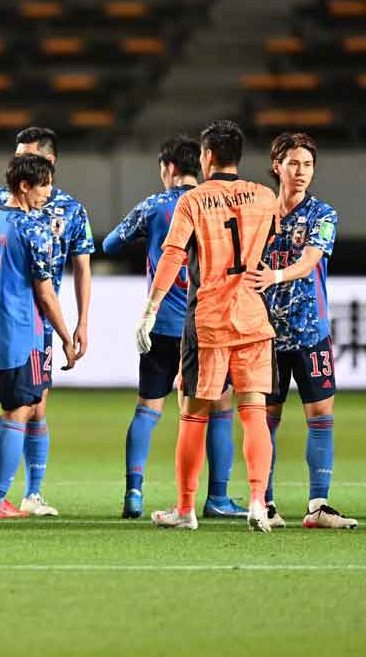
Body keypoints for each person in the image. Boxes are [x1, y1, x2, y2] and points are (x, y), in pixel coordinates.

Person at [136, 119, 277, 532]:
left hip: (209, 320)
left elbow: (173, 255)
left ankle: (185, 509)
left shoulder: (193, 200)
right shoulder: (264, 197)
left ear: (208, 156)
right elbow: (267, 244)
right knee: (253, 411)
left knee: (193, 413)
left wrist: (151, 309)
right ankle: (258, 501)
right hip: (252, 318)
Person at [0, 127, 92, 517]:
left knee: (18, 406)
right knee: (22, 409)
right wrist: (66, 336)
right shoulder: (33, 227)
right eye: (41, 184)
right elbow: (45, 293)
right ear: (25, 183)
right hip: (25, 329)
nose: (47, 191)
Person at [103, 136, 245, 520]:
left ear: (168, 168)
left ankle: (134, 493)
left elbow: (111, 244)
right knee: (219, 406)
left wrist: (148, 238)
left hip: (162, 322)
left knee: (148, 407)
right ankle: (217, 497)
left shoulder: (155, 206)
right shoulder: (216, 204)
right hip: (207, 324)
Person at [244, 132, 357, 529]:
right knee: (266, 418)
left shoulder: (322, 214)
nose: (301, 171)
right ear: (277, 166)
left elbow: (310, 261)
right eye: (293, 163)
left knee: (321, 414)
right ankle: (266, 503)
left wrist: (274, 275)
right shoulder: (258, 213)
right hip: (265, 334)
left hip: (311, 332)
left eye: (307, 164)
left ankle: (318, 506)